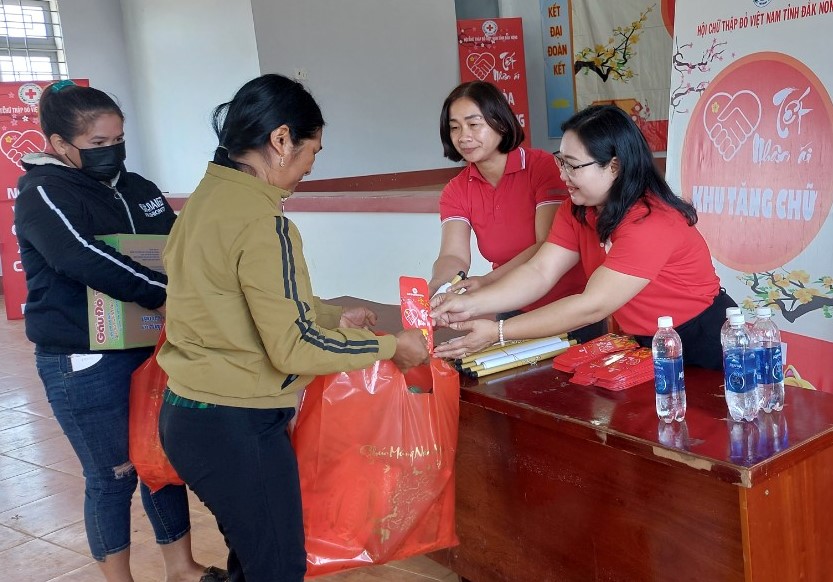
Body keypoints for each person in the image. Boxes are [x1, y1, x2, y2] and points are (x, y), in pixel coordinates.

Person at [156, 73, 429, 582]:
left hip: (188, 415)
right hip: (235, 423)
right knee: (278, 568)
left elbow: (238, 301)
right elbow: (294, 347)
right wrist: (390, 346)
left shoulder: (206, 200)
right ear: (281, 140)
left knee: (254, 556)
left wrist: (330, 317)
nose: (310, 167)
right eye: (312, 152)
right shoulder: (265, 222)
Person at [13, 81, 225, 582]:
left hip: (150, 346)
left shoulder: (138, 188)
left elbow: (177, 245)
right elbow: (80, 256)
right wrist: (164, 293)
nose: (112, 152)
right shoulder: (43, 192)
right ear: (60, 144)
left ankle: (182, 568)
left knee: (159, 462)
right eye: (98, 144)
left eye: (118, 140)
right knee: (112, 475)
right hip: (84, 357)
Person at [430, 104, 736, 370]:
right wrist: (468, 304)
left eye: (573, 166)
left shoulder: (651, 221)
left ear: (614, 166)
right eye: (561, 161)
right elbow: (539, 272)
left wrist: (498, 332)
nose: (563, 175)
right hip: (650, 340)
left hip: (704, 339)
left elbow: (592, 305)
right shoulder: (577, 209)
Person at [429, 81, 604, 342]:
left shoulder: (543, 167)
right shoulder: (456, 190)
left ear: (500, 122)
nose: (463, 136)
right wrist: (438, 288)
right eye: (454, 127)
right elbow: (453, 255)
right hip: (511, 305)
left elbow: (546, 244)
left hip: (570, 307)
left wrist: (488, 281)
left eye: (474, 124)